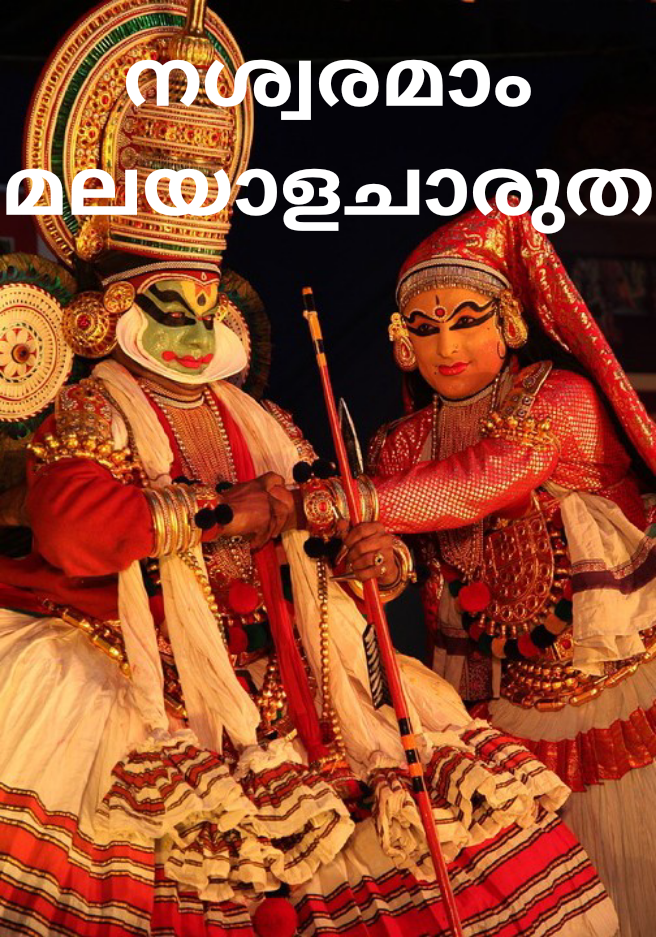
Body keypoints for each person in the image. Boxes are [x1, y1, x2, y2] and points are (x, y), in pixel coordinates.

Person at [0, 2, 619, 934]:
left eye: (204, 304)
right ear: (110, 312)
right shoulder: (97, 406)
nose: (192, 327)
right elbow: (73, 530)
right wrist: (224, 514)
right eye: (166, 304)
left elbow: (317, 533)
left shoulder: (266, 420)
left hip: (291, 684)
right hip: (147, 683)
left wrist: (375, 558)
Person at [365, 201, 656, 937]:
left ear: (510, 323)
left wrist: (343, 500)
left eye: (467, 321)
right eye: (424, 328)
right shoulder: (401, 445)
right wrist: (380, 556)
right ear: (402, 342)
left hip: (616, 680)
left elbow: (492, 476)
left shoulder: (559, 399)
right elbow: (411, 565)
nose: (447, 345)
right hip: (502, 694)